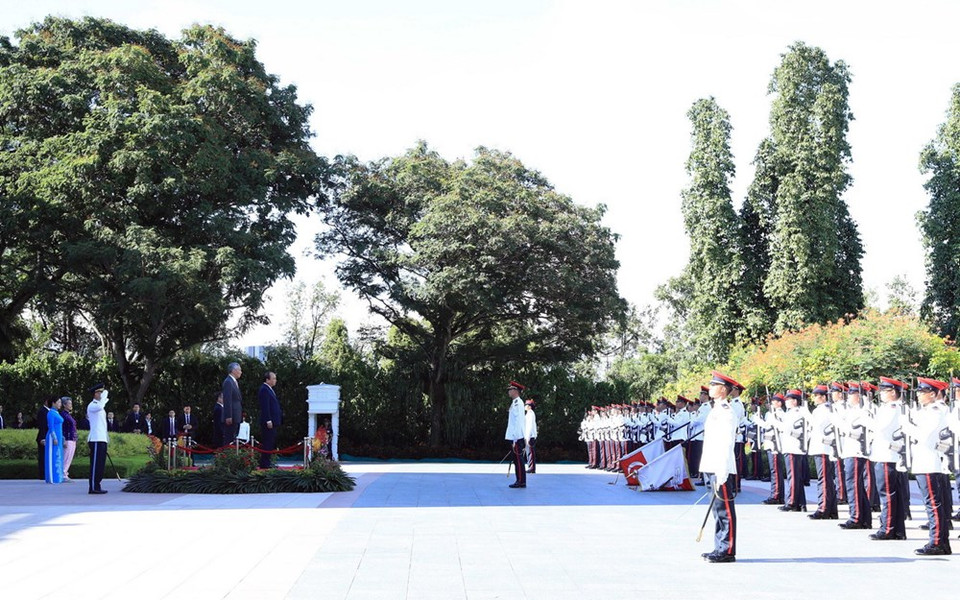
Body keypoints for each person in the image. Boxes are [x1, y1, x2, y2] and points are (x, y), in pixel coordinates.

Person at [903, 377, 952, 555]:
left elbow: (924, 436)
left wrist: (906, 426)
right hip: (925, 461)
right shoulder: (929, 411)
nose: (918, 396)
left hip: (929, 462)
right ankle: (940, 541)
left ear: (932, 394)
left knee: (933, 504)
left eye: (922, 393)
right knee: (932, 504)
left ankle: (938, 542)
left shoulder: (935, 412)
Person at [856, 376, 907, 540]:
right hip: (887, 455)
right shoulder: (892, 407)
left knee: (887, 495)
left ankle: (888, 528)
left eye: (884, 391)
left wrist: (864, 417)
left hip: (886, 455)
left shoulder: (891, 408)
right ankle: (897, 529)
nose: (881, 394)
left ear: (893, 392)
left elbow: (880, 428)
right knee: (892, 494)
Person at [700, 371, 738, 563]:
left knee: (725, 510)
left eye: (714, 385)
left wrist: (722, 471)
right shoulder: (715, 410)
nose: (710, 387)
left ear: (723, 390)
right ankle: (719, 546)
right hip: (710, 464)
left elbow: (725, 443)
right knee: (717, 509)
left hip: (719, 466)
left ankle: (727, 550)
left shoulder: (726, 412)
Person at [808, 385, 838, 520]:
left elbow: (817, 426)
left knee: (824, 480)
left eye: (817, 396)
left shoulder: (823, 410)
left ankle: (824, 508)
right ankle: (831, 510)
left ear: (824, 397)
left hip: (823, 448)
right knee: (827, 480)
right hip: (821, 447)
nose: (814, 398)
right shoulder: (822, 409)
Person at [775, 389, 808, 512]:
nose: (786, 402)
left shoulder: (794, 413)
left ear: (795, 401)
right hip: (795, 447)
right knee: (796, 476)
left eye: (788, 399)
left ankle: (792, 502)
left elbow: (785, 428)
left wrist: (774, 422)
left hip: (792, 447)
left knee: (793, 476)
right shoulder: (796, 412)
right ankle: (801, 503)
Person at [86, 384, 109, 494]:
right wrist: (105, 396)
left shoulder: (100, 405)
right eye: (99, 392)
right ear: (95, 394)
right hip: (95, 438)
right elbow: (100, 406)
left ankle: (98, 485)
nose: (101, 394)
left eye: (101, 392)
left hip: (101, 438)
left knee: (100, 464)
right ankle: (93, 487)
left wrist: (106, 438)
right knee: (95, 464)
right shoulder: (92, 405)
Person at [258, 371, 282, 469]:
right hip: (269, 421)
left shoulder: (269, 389)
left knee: (270, 442)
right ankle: (265, 464)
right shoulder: (264, 389)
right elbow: (265, 406)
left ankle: (267, 462)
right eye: (273, 378)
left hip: (273, 420)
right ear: (267, 379)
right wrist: (268, 420)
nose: (275, 380)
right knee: (267, 442)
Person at [505, 381, 527, 489]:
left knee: (518, 460)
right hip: (514, 436)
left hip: (517, 437)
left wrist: (515, 438)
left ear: (515, 391)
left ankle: (521, 481)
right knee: (516, 460)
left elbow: (518, 422)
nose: (509, 391)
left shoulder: (519, 403)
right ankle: (519, 480)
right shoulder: (515, 403)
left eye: (510, 389)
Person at [222, 362, 243, 445]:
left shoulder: (233, 382)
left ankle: (231, 456)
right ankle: (226, 457)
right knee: (229, 438)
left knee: (233, 438)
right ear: (234, 370)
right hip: (232, 416)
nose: (241, 372)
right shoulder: (228, 382)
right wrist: (228, 416)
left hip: (236, 415)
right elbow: (227, 400)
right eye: (239, 370)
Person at [45, 396, 64, 484]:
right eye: (59, 402)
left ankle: (58, 477)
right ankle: (52, 477)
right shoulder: (50, 413)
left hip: (59, 436)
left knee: (58, 455)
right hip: (53, 437)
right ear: (53, 403)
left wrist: (62, 437)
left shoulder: (56, 413)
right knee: (53, 456)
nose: (60, 404)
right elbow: (51, 427)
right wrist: (54, 437)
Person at [60, 397, 78, 482]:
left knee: (69, 457)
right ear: (64, 405)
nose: (71, 405)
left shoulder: (68, 414)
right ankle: (63, 474)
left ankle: (65, 473)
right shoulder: (63, 415)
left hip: (72, 438)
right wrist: (63, 439)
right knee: (66, 457)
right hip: (67, 438)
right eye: (69, 403)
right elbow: (62, 428)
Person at [35, 398, 51, 480]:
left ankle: (47, 474)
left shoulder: (49, 411)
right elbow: (42, 425)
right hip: (43, 437)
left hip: (48, 436)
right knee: (43, 457)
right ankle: (42, 475)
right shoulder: (42, 411)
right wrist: (42, 438)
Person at [524, 399, 537, 473]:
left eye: (526, 405)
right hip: (528, 436)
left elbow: (529, 426)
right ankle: (530, 466)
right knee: (528, 452)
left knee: (530, 453)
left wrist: (527, 437)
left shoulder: (530, 414)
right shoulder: (528, 413)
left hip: (530, 436)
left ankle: (531, 467)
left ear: (530, 407)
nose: (525, 406)